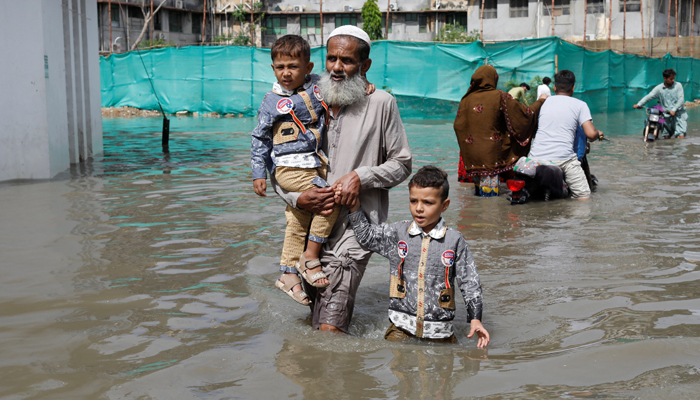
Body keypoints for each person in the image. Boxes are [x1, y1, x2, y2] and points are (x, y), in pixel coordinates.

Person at [272, 26, 412, 333]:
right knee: (315, 321)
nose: (336, 67)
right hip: (307, 226)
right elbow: (280, 161)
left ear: (365, 65)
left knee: (329, 330)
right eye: (331, 58)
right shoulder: (305, 102)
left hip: (353, 228)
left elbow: (402, 164)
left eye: (347, 60)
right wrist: (296, 198)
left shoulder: (381, 103)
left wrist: (361, 177)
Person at [250, 35, 375, 306]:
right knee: (329, 199)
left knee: (298, 219)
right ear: (273, 69)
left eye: (293, 66)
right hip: (289, 166)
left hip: (313, 163)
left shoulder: (318, 85)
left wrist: (364, 83)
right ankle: (310, 256)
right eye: (280, 67)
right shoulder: (271, 102)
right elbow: (260, 138)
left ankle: (287, 274)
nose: (286, 73)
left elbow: (344, 81)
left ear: (308, 67)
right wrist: (258, 172)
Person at [346, 166, 489, 347]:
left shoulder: (454, 241)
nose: (419, 208)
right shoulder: (398, 233)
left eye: (428, 203)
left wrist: (475, 319)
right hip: (400, 328)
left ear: (444, 205)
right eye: (414, 201)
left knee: (445, 371)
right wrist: (354, 207)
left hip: (440, 332)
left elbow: (470, 282)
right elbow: (367, 237)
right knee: (399, 368)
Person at [455, 65, 545, 197]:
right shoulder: (499, 96)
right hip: (491, 158)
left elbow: (458, 126)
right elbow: (525, 114)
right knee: (490, 202)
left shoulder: (465, 100)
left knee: (478, 196)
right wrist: (540, 101)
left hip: (472, 159)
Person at [528, 69, 605, 199]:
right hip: (563, 159)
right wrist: (598, 133)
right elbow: (591, 134)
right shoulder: (580, 105)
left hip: (535, 157)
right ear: (573, 88)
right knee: (584, 196)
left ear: (554, 87)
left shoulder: (542, 103)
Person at [633, 68, 687, 138]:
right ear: (665, 78)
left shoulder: (678, 85)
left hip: (679, 114)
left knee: (680, 135)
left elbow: (681, 99)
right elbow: (649, 96)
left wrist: (674, 109)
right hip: (666, 115)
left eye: (673, 78)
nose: (673, 80)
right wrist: (639, 104)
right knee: (666, 137)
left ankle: (679, 148)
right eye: (671, 79)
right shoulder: (659, 88)